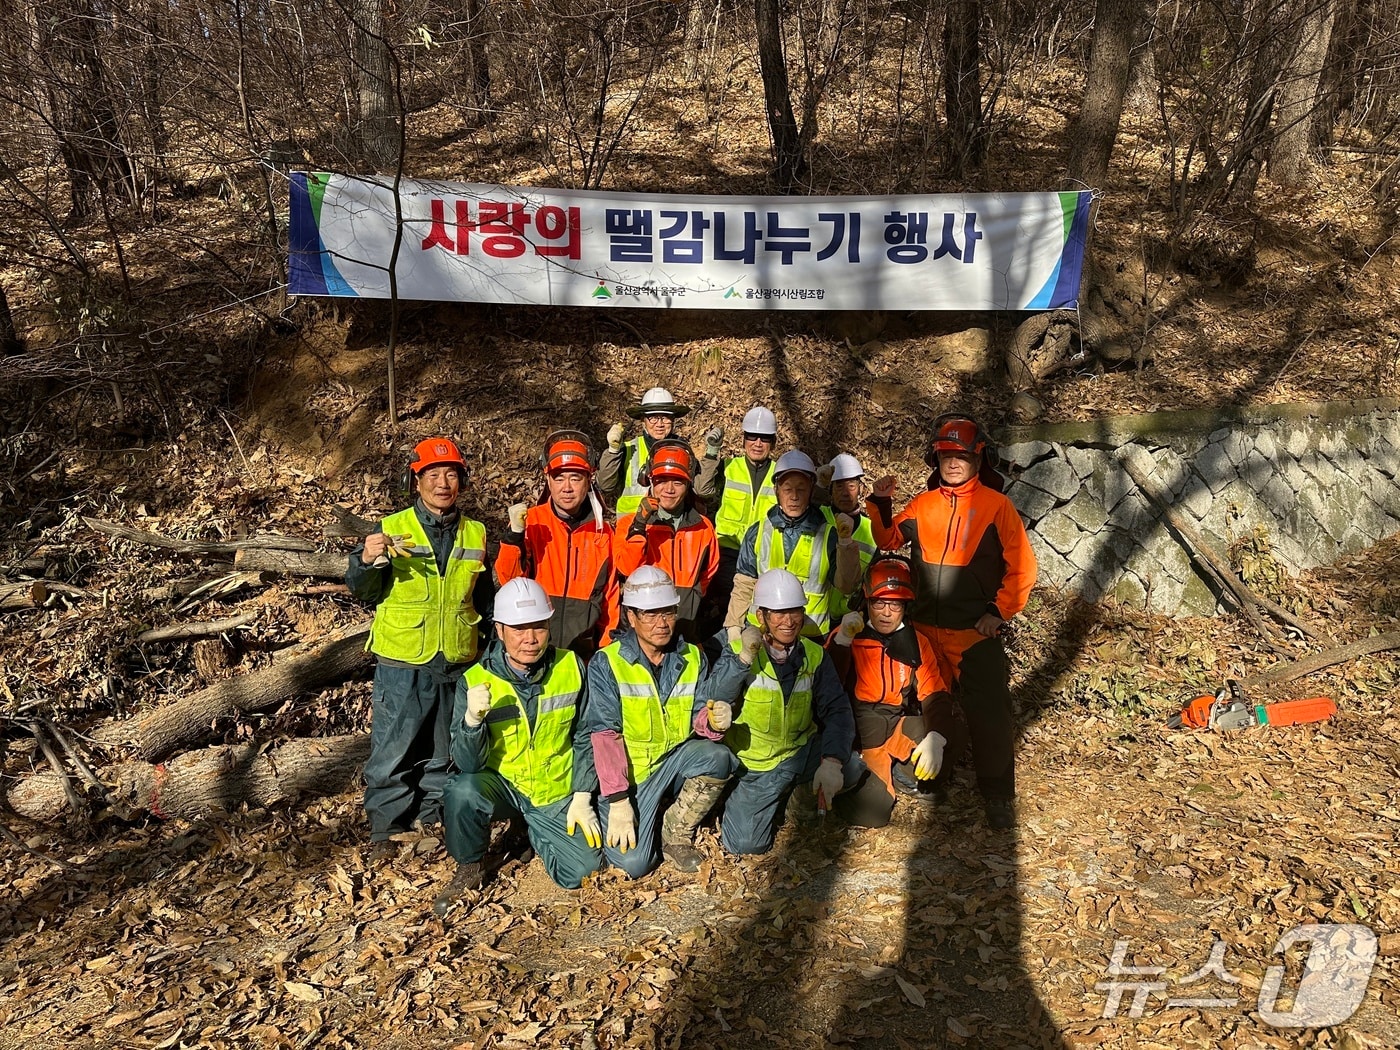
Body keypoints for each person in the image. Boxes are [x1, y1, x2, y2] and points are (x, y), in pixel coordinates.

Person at [866, 414, 1037, 830]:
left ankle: (997, 793)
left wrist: (998, 612)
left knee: (990, 711)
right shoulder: (924, 504)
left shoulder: (997, 506)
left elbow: (1023, 568)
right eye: (946, 456)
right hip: (925, 629)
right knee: (924, 706)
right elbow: (889, 539)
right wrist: (881, 504)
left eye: (961, 456)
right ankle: (926, 777)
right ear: (936, 460)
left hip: (972, 631)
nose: (954, 462)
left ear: (978, 459)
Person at [347, 437, 493, 860]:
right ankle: (385, 829)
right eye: (433, 475)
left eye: (451, 475)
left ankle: (430, 821)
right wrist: (365, 561)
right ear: (416, 481)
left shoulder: (476, 532)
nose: (442, 483)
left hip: (457, 657)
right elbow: (364, 591)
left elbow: (482, 597)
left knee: (443, 751)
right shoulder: (391, 527)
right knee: (392, 750)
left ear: (462, 481)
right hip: (403, 659)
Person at [433, 578, 602, 914]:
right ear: (499, 630)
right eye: (519, 628)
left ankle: (529, 830)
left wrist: (583, 794)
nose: (530, 638)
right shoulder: (475, 680)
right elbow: (468, 764)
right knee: (462, 791)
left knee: (583, 872)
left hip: (554, 789)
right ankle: (470, 865)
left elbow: (587, 734)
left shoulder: (571, 667)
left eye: (539, 626)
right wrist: (472, 721)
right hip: (505, 785)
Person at [583, 567, 738, 876]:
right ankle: (638, 812)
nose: (661, 622)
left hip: (675, 759)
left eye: (667, 612)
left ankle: (675, 833)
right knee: (633, 864)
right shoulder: (608, 662)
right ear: (631, 617)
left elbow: (698, 714)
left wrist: (713, 722)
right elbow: (604, 734)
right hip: (634, 775)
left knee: (718, 757)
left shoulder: (692, 656)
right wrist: (618, 800)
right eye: (650, 614)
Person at [705, 568, 854, 855]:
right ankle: (758, 800)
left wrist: (833, 761)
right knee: (746, 845)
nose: (788, 621)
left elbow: (837, 708)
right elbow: (715, 697)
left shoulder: (814, 654)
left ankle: (796, 801)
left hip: (801, 752)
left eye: (795, 611)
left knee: (852, 767)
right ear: (761, 616)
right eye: (778, 613)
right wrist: (743, 660)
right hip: (757, 765)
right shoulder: (738, 651)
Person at [824, 556, 962, 828]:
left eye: (895, 604)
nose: (886, 612)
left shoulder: (915, 641)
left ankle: (903, 774)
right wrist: (842, 642)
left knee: (951, 732)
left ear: (905, 607)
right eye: (879, 603)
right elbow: (828, 686)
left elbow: (935, 692)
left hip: (895, 725)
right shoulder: (848, 634)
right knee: (873, 813)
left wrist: (936, 737)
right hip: (861, 735)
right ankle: (861, 775)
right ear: (867, 601)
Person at [495, 430, 619, 659]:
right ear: (548, 480)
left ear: (588, 480)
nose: (567, 487)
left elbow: (610, 599)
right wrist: (513, 537)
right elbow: (509, 581)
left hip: (584, 654)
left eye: (575, 478)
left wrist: (606, 651)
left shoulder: (603, 532)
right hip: (534, 649)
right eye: (559, 478)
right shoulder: (531, 523)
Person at [723, 450, 860, 640]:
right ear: (777, 491)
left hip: (810, 638)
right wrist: (734, 625)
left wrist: (846, 543)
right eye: (787, 489)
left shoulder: (828, 535)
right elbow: (744, 584)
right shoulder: (758, 531)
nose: (794, 497)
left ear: (811, 491)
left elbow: (847, 586)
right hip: (764, 635)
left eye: (801, 489)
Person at [613, 438, 719, 643]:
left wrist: (693, 594)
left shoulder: (703, 526)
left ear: (688, 484)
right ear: (650, 481)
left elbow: (709, 570)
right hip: (644, 629)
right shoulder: (629, 524)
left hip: (687, 623)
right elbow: (626, 568)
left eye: (677, 482)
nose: (669, 489)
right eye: (662, 480)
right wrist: (639, 526)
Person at [694, 405, 778, 617]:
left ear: (773, 442)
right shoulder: (728, 467)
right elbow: (702, 490)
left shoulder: (781, 473)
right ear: (743, 440)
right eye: (752, 437)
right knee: (728, 605)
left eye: (764, 438)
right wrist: (711, 453)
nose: (757, 443)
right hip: (728, 552)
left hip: (764, 555)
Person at [598, 387, 689, 518]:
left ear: (673, 420)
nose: (659, 424)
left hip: (670, 525)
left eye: (665, 417)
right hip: (630, 525)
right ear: (643, 420)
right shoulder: (628, 449)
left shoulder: (683, 451)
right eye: (653, 418)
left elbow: (700, 490)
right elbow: (605, 485)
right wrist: (613, 451)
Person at [816, 452, 878, 619]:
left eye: (851, 486)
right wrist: (818, 485)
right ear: (830, 489)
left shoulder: (871, 530)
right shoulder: (817, 516)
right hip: (813, 616)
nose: (845, 493)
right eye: (839, 486)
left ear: (860, 489)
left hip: (848, 619)